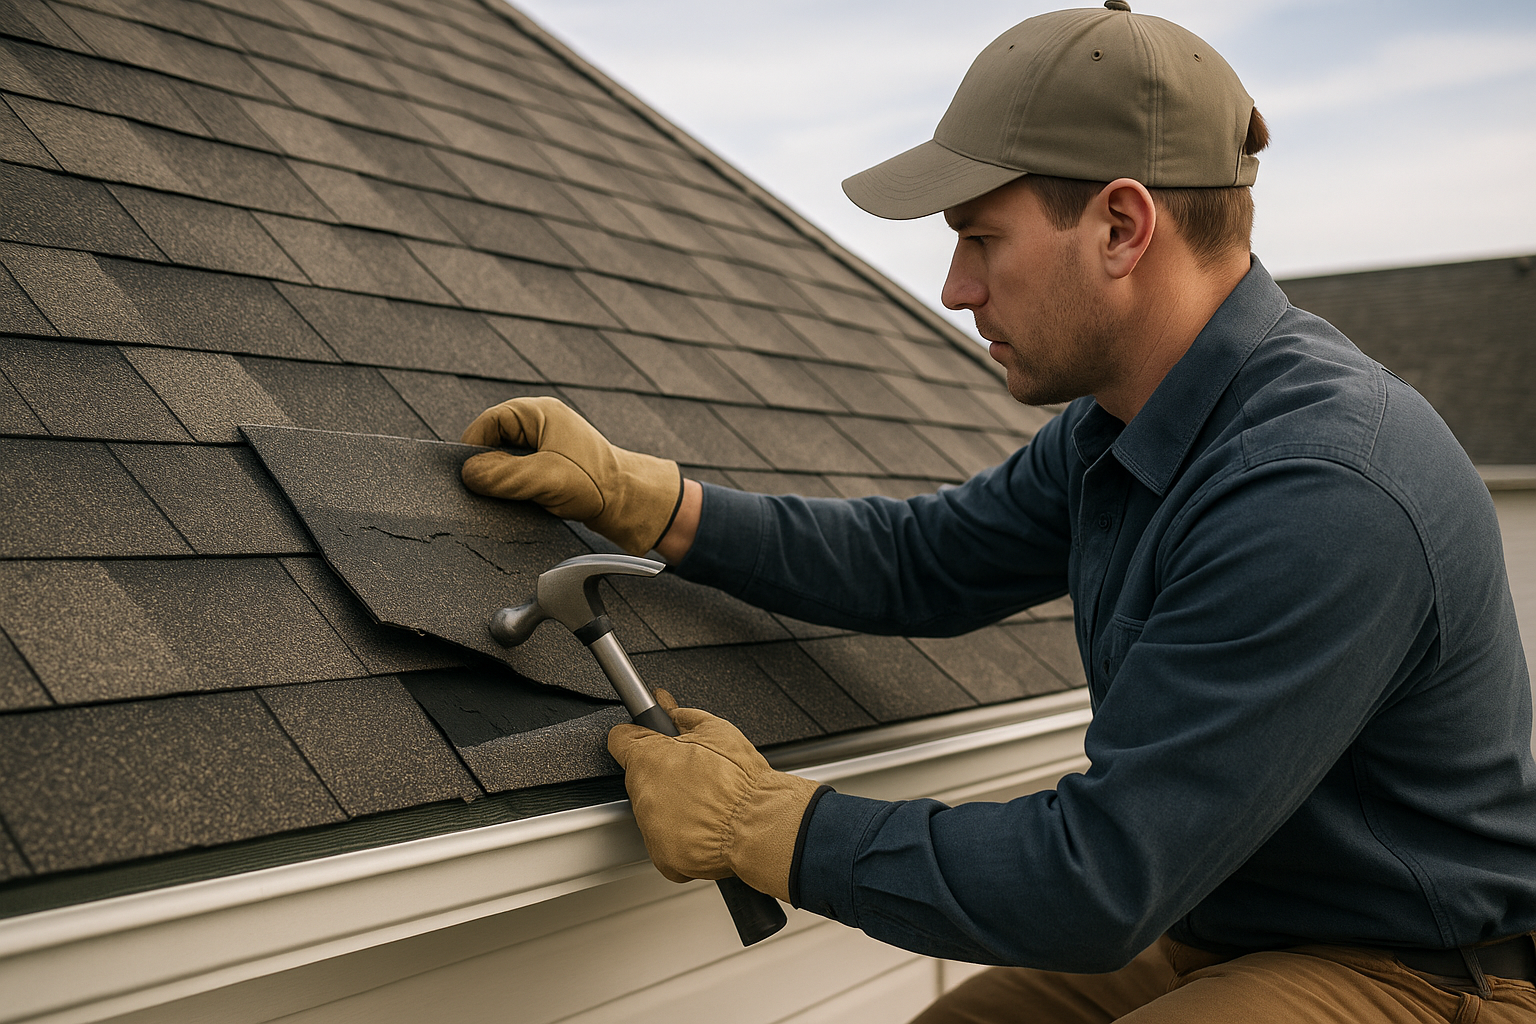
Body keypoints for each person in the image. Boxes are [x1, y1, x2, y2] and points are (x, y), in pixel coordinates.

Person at [458, 3, 1536, 1020]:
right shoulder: (1123, 423)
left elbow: (1100, 877)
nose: (954, 288)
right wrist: (645, 500)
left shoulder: (1320, 485)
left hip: (1419, 970)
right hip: (1232, 924)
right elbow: (924, 562)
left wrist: (758, 821)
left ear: (1121, 226)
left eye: (981, 239)